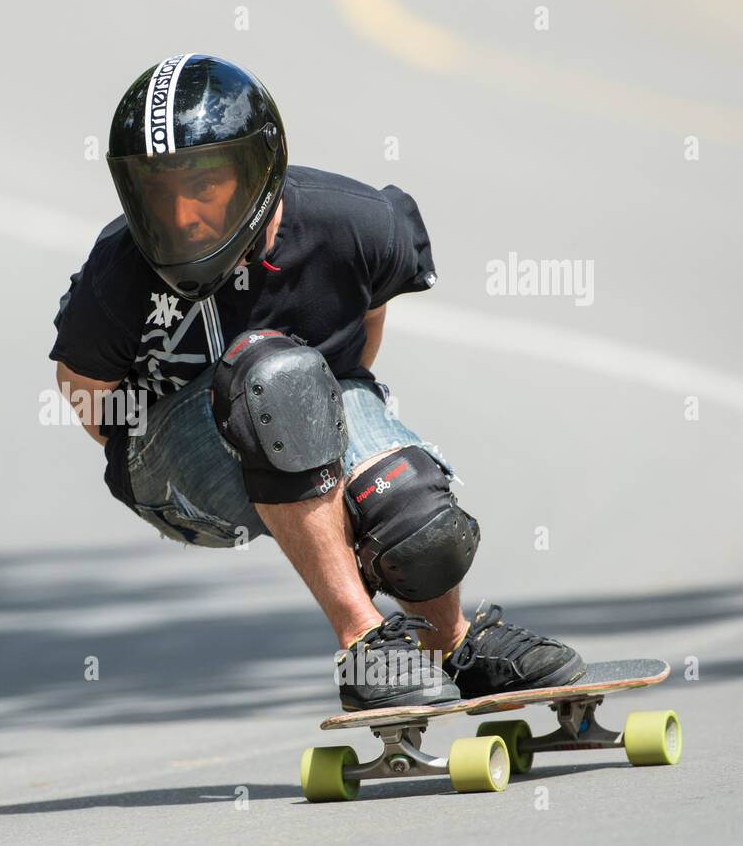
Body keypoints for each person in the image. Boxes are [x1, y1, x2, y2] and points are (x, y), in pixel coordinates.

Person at [48, 54, 585, 711]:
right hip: (165, 454)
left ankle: (458, 645)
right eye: (161, 192)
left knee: (417, 522)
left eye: (205, 186)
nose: (183, 215)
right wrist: (182, 445)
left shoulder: (357, 223)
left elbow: (363, 335)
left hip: (304, 399)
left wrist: (329, 452)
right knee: (271, 378)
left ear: (257, 172)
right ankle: (365, 644)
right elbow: (83, 386)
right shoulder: (121, 270)